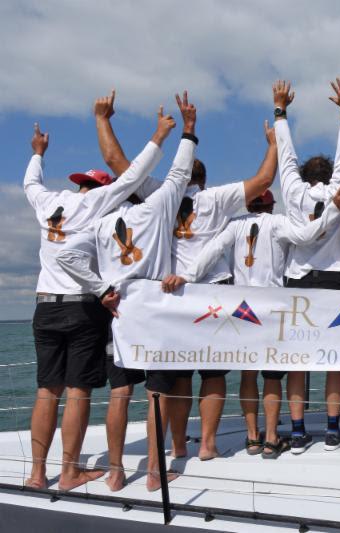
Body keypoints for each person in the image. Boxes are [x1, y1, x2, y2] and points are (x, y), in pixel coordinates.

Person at [57, 92, 197, 491]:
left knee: (120, 392)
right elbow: (179, 175)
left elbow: (67, 257)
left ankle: (116, 472)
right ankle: (154, 473)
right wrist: (188, 131)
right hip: (153, 309)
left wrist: (101, 288)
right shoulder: (158, 209)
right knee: (156, 393)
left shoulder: (99, 225)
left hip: (119, 311)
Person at [24, 111, 167, 490]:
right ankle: (69, 471)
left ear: (79, 185)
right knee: (77, 391)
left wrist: (38, 152)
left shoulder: (49, 203)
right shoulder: (99, 206)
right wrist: (158, 136)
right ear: (103, 189)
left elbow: (30, 182)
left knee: (45, 390)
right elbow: (134, 175)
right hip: (81, 306)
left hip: (44, 306)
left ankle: (37, 474)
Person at [160, 183, 340, 458]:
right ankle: (272, 438)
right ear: (271, 206)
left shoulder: (233, 225)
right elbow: (309, 235)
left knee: (248, 374)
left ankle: (252, 437)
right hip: (271, 306)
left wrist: (187, 276)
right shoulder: (277, 222)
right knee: (272, 377)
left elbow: (211, 251)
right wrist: (333, 209)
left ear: (249, 205)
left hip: (242, 307)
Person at [273, 78, 340, 452]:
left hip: (298, 281)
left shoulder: (292, 191)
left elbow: (284, 155)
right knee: (334, 357)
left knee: (297, 359)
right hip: (334, 279)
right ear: (328, 176)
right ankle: (333, 429)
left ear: (305, 175)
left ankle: (295, 430)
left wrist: (281, 111)